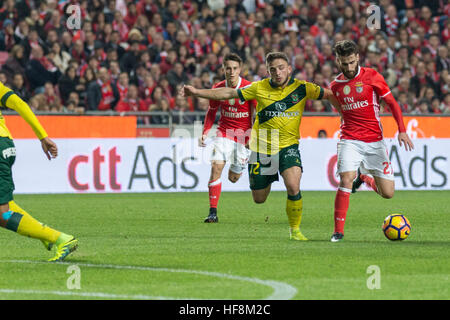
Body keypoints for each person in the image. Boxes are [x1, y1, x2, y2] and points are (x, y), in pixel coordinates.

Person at [182, 51, 339, 240]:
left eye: (281, 68)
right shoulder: (258, 87)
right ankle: (268, 178)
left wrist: (345, 115)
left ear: (289, 69)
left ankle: (295, 231)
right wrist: (197, 92)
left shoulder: (303, 88)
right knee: (259, 198)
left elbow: (329, 94)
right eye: (273, 69)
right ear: (268, 71)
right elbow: (229, 92)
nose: (278, 72)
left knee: (293, 185)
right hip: (262, 147)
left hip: (288, 146)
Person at [329, 40, 414, 242]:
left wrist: (402, 130)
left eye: (351, 62)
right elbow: (339, 109)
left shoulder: (372, 76)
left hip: (375, 141)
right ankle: (338, 231)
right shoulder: (335, 86)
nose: (349, 67)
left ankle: (365, 178)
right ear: (338, 61)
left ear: (357, 57)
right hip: (349, 139)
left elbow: (392, 103)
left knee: (388, 193)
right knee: (346, 179)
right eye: (344, 63)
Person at [0, 80, 78, 261]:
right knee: (6, 206)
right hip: (5, 144)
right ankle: (45, 234)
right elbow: (20, 104)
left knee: (2, 214)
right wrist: (42, 137)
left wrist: (43, 137)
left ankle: (59, 239)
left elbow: (20, 104)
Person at [198, 53, 257, 223]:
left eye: (235, 68)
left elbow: (257, 113)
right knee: (216, 168)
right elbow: (211, 112)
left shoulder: (249, 88)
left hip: (243, 137)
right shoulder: (218, 87)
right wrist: (205, 132)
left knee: (233, 178)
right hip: (223, 133)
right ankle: (212, 212)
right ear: (223, 69)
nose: (231, 72)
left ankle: (241, 165)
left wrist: (253, 134)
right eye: (228, 68)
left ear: (240, 70)